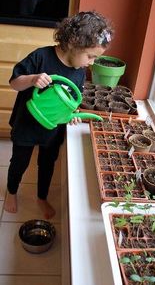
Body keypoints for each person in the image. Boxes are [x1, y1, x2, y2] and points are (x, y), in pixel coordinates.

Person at [4, 11, 114, 219]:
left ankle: (41, 197)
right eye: (90, 56)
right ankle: (11, 192)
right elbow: (14, 83)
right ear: (74, 43)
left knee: (47, 164)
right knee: (19, 162)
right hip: (27, 125)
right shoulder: (41, 57)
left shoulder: (79, 71)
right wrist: (33, 79)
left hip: (53, 129)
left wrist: (71, 115)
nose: (91, 62)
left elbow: (72, 102)